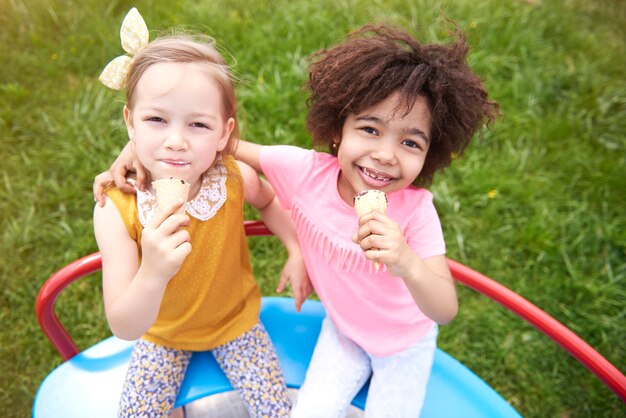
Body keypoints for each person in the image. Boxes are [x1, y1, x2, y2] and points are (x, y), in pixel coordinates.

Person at [95, 22, 499, 417]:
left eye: (410, 142)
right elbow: (218, 144)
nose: (386, 155)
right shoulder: (305, 173)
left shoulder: (417, 210)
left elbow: (444, 310)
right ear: (337, 129)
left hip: (404, 345)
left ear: (431, 153)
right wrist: (134, 150)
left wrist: (406, 262)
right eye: (370, 129)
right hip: (339, 332)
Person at [93, 8, 310, 418]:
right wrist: (153, 270)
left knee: (277, 412)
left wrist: (295, 249)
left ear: (224, 133)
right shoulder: (115, 210)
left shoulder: (232, 177)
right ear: (130, 123)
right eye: (156, 119)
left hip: (236, 322)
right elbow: (124, 325)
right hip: (161, 335)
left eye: (198, 125)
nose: (176, 141)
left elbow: (266, 202)